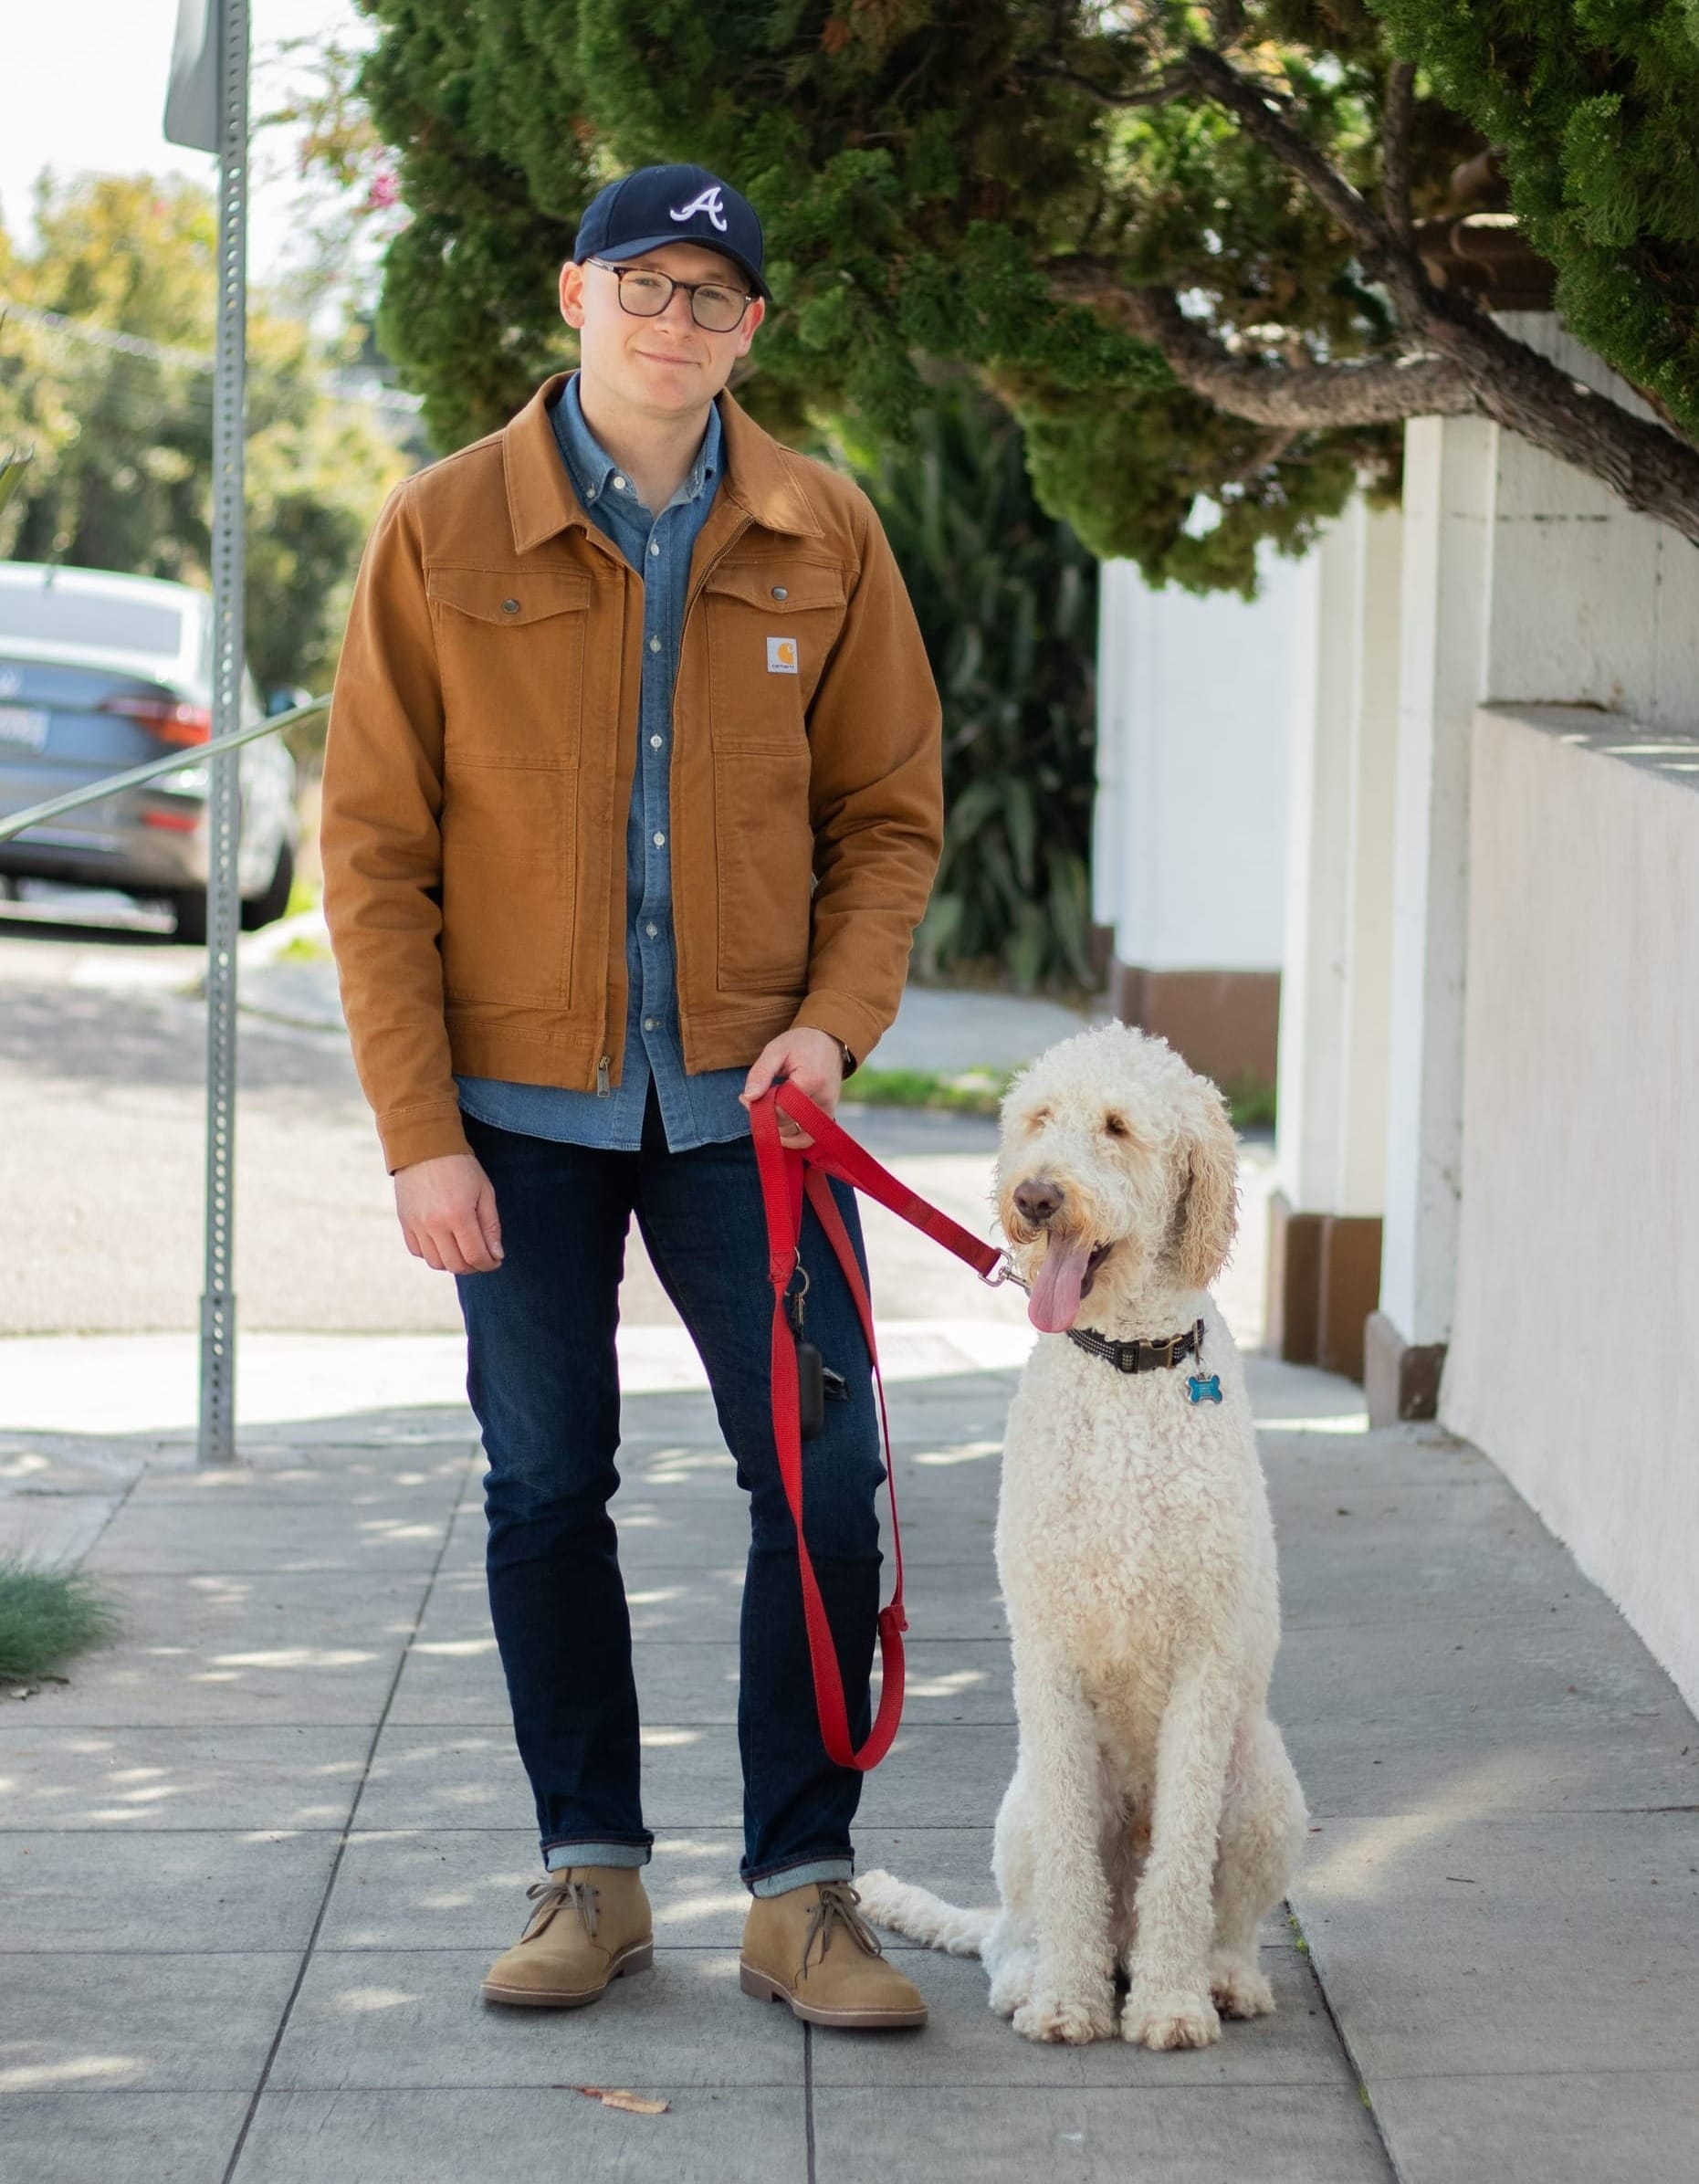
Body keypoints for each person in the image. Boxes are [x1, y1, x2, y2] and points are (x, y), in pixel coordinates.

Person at [320, 163, 943, 2031]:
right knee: (540, 1487)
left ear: (752, 328)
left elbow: (888, 816)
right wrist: (420, 1130)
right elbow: (370, 853)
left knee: (821, 1482)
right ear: (572, 297)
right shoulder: (441, 528)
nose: (677, 325)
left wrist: (833, 1025)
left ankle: (800, 1890)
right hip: (513, 1112)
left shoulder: (823, 529)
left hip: (755, 1107)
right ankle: (589, 1869)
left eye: (714, 298)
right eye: (644, 287)